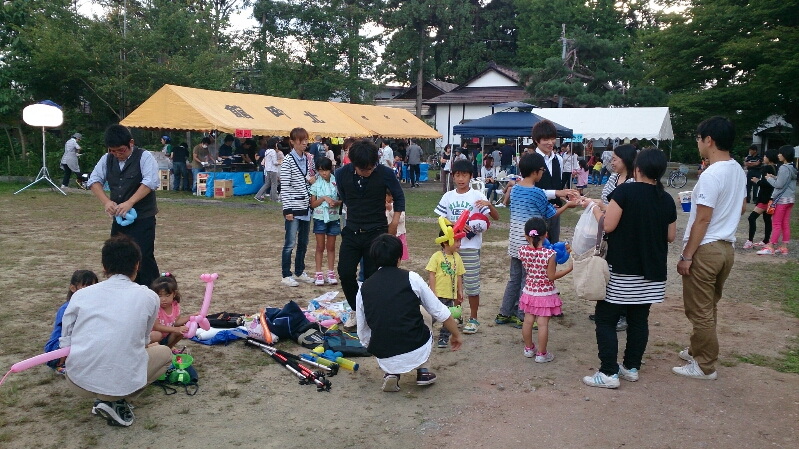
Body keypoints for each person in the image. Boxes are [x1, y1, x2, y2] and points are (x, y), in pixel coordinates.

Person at [581, 148, 677, 388]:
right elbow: (671, 236)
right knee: (639, 319)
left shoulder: (624, 192)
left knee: (605, 319)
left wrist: (593, 208)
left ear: (638, 168)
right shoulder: (665, 198)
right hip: (652, 271)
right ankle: (631, 367)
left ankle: (609, 372)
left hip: (622, 268)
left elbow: (609, 225)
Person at [61, 235, 173, 427]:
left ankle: (107, 399)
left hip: (76, 379)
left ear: (104, 266)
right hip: (113, 380)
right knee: (165, 353)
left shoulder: (80, 295)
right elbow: (143, 339)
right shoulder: (148, 297)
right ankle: (117, 401)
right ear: (137, 265)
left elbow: (66, 336)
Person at [674, 116, 746, 380]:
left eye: (698, 138)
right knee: (708, 305)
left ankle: (704, 365)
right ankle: (697, 349)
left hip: (707, 248)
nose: (698, 143)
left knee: (699, 309)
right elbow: (740, 207)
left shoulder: (712, 174)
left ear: (709, 140)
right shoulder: (737, 169)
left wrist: (687, 255)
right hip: (727, 248)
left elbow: (702, 219)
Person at [357, 234, 462, 392]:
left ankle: (391, 372)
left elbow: (362, 330)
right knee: (424, 312)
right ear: (399, 258)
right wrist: (456, 334)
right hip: (416, 346)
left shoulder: (364, 288)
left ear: (373, 259)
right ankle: (423, 371)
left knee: (383, 319)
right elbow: (439, 310)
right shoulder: (412, 278)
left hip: (383, 353)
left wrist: (374, 347)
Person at [496, 153, 577, 327]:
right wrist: (567, 205)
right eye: (541, 170)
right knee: (528, 280)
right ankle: (522, 316)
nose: (542, 174)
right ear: (535, 172)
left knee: (514, 279)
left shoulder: (515, 189)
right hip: (531, 245)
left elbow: (533, 209)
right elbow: (551, 214)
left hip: (515, 243)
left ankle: (504, 312)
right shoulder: (538, 192)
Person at [87, 124, 161, 288]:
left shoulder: (144, 157)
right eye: (113, 151)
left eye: (121, 150)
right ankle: (119, 289)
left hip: (143, 217)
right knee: (117, 255)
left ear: (131, 143)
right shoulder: (107, 159)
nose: (117, 154)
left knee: (143, 255)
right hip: (120, 220)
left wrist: (130, 202)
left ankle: (152, 291)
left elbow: (150, 182)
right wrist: (106, 202)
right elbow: (94, 180)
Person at [335, 138, 405, 310]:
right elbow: (345, 197)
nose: (369, 171)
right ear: (354, 164)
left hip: (377, 231)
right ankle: (356, 308)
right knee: (345, 272)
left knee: (374, 276)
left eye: (372, 167)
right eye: (364, 169)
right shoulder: (341, 174)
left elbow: (399, 197)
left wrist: (394, 223)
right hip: (352, 230)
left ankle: (373, 310)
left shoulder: (385, 173)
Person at [434, 159, 499, 335]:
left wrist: (490, 206)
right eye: (457, 175)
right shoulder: (448, 196)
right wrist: (455, 224)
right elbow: (440, 220)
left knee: (471, 284)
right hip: (451, 248)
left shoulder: (477, 196)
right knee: (452, 283)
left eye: (464, 175)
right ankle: (457, 315)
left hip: (470, 247)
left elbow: (495, 217)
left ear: (471, 176)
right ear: (453, 176)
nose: (460, 178)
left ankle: (474, 318)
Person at [518, 217, 573, 363]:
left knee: (528, 321)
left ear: (526, 235)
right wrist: (569, 269)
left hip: (529, 292)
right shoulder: (550, 255)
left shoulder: (522, 251)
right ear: (546, 235)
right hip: (545, 294)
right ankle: (542, 354)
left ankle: (529, 348)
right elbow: (551, 276)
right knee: (542, 324)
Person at [279, 127, 317, 287]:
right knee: (290, 242)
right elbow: (285, 187)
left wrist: (311, 179)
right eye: (301, 141)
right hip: (293, 207)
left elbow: (311, 177)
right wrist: (287, 210)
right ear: (292, 142)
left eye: (306, 140)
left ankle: (300, 271)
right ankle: (286, 274)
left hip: (306, 206)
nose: (304, 143)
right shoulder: (288, 161)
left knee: (303, 242)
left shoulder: (308, 159)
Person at [533, 120, 579, 244]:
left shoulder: (558, 159)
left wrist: (566, 196)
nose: (550, 143)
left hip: (556, 211)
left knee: (553, 247)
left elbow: (556, 184)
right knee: (538, 248)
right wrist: (557, 193)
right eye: (546, 139)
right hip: (537, 211)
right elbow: (531, 190)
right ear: (537, 140)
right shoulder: (531, 160)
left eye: (552, 138)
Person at [45, 270, 99, 374]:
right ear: (73, 288)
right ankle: (59, 364)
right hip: (60, 346)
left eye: (94, 286)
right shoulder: (67, 308)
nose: (92, 290)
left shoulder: (93, 306)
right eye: (87, 286)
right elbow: (67, 335)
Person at [426, 224, 465, 348]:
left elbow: (459, 275)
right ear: (445, 243)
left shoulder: (457, 257)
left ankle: (443, 337)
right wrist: (433, 292)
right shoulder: (437, 256)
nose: (459, 244)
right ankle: (425, 334)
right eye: (457, 241)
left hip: (451, 295)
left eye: (460, 240)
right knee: (432, 317)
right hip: (438, 294)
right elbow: (431, 274)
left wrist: (460, 291)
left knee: (449, 318)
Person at [757, 145, 797, 255]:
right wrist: (774, 177)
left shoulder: (783, 168)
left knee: (776, 223)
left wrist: (769, 178)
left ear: (784, 155)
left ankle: (771, 245)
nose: (778, 155)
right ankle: (784, 247)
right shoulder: (792, 167)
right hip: (790, 199)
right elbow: (785, 181)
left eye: (780, 153)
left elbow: (779, 185)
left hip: (781, 200)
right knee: (785, 223)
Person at [309, 157, 341, 286]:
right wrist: (324, 199)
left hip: (333, 217)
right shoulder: (316, 184)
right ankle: (318, 273)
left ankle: (331, 272)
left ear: (331, 169)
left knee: (331, 246)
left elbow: (341, 200)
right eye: (321, 171)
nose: (324, 173)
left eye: (326, 170)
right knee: (320, 246)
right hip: (320, 217)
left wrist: (335, 203)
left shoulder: (336, 182)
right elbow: (313, 204)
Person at [742, 148, 777, 249]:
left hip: (764, 198)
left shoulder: (766, 168)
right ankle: (766, 240)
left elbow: (767, 183)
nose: (763, 158)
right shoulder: (776, 168)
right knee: (767, 219)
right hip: (771, 198)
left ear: (769, 158)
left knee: (751, 218)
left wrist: (757, 181)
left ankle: (750, 240)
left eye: (765, 156)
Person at [147, 273, 191, 349]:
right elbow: (157, 326)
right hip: (155, 336)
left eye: (167, 296)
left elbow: (175, 322)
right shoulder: (156, 307)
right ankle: (147, 348)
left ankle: (169, 348)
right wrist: (176, 329)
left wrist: (191, 316)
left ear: (174, 294)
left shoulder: (175, 305)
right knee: (157, 335)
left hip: (167, 335)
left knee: (183, 330)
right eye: (159, 296)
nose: (163, 299)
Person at [254, 137, 281, 202]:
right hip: (273, 170)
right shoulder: (273, 152)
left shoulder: (267, 151)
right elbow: (274, 162)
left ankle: (258, 195)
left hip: (267, 169)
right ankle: (275, 198)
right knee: (274, 184)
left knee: (267, 184)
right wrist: (279, 162)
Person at [386, 190, 408, 261]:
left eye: (385, 196)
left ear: (390, 196)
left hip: (398, 234)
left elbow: (401, 219)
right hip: (388, 233)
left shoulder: (397, 205)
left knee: (397, 255)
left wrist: (391, 210)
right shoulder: (383, 206)